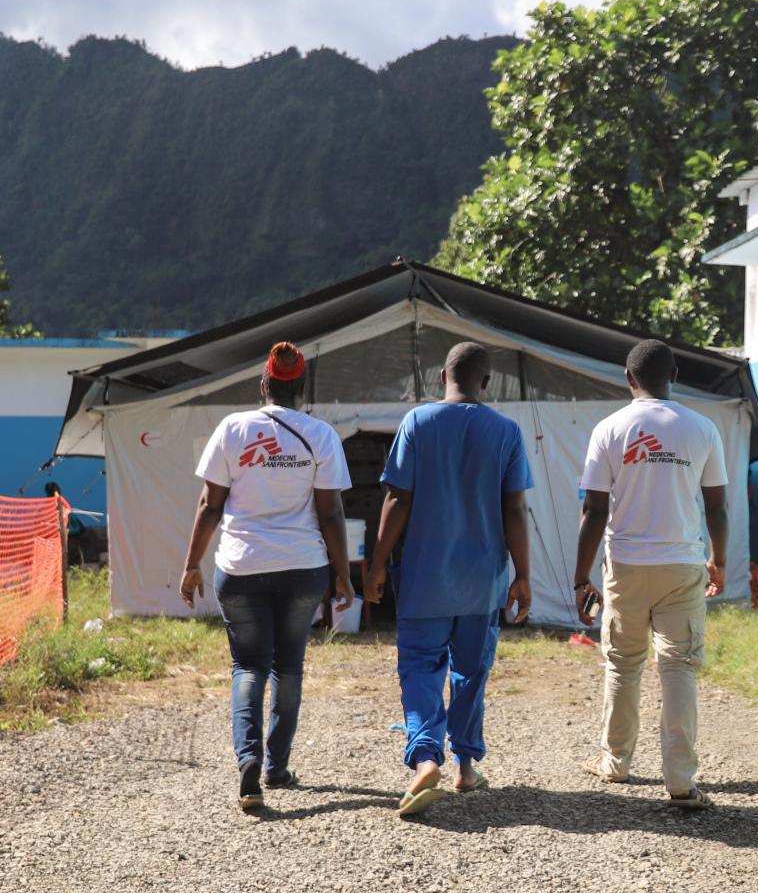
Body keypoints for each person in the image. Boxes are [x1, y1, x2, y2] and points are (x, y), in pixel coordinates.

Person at [180, 341, 354, 811]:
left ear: (263, 385)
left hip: (241, 566)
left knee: (248, 666)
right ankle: (277, 767)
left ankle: (249, 763)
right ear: (302, 388)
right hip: (303, 567)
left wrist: (191, 564)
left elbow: (210, 505)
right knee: (288, 666)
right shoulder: (321, 435)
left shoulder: (232, 429)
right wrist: (343, 575)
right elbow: (331, 514)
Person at [363, 342, 533, 817]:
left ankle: (424, 758)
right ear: (486, 383)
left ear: (442, 376)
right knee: (471, 671)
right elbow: (515, 507)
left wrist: (377, 564)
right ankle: (465, 766)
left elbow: (397, 499)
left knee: (420, 668)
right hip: (482, 581)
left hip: (424, 578)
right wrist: (523, 574)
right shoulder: (506, 431)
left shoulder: (417, 422)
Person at [573, 339, 728, 811]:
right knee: (678, 666)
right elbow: (717, 506)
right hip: (682, 564)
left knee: (623, 664)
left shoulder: (609, 428)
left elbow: (593, 508)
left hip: (625, 565)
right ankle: (680, 779)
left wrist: (580, 577)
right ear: (674, 375)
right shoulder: (703, 428)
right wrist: (719, 560)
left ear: (628, 377)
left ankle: (615, 761)